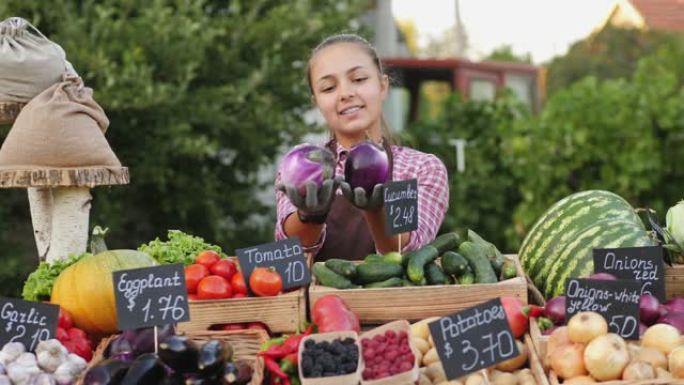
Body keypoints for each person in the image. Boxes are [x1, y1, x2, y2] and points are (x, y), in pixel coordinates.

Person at [275, 33, 449, 261]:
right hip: (320, 297)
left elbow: (410, 254)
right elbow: (288, 257)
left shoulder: (420, 169)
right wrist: (309, 216)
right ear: (317, 102)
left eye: (358, 79)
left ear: (383, 86)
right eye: (328, 88)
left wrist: (376, 210)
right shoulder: (302, 165)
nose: (346, 93)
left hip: (394, 298)